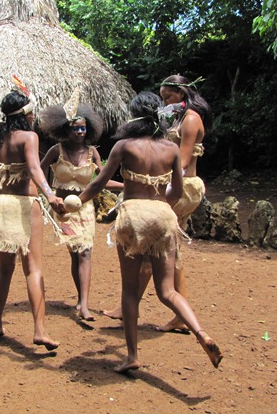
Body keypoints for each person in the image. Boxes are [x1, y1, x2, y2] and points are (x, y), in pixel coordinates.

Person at [78, 91, 222, 373]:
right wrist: (160, 209)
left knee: (131, 291)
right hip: (163, 215)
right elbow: (178, 191)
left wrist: (73, 204)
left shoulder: (123, 146)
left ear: (133, 116)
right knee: (167, 290)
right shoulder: (169, 148)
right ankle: (200, 332)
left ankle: (132, 356)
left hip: (133, 215)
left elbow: (98, 184)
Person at [103, 75, 213, 334]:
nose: (165, 102)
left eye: (169, 97)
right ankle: (172, 312)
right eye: (162, 98)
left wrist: (156, 196)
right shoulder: (179, 118)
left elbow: (182, 163)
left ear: (182, 93)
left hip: (182, 187)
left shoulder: (191, 119)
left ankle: (134, 305)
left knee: (151, 244)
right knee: (163, 249)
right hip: (171, 186)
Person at [0, 90, 65, 350]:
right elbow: (34, 167)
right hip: (21, 206)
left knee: (4, 268)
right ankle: (40, 330)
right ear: (25, 115)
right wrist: (50, 195)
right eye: (31, 113)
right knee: (33, 268)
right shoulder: (29, 137)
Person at [39, 96, 123, 321]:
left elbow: (101, 180)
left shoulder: (92, 152)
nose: (80, 132)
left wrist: (128, 185)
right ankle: (80, 298)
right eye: (76, 128)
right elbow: (39, 174)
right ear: (66, 130)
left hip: (86, 209)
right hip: (63, 212)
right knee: (75, 255)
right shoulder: (56, 151)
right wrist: (48, 197)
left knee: (85, 252)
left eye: (83, 128)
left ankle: (84, 304)